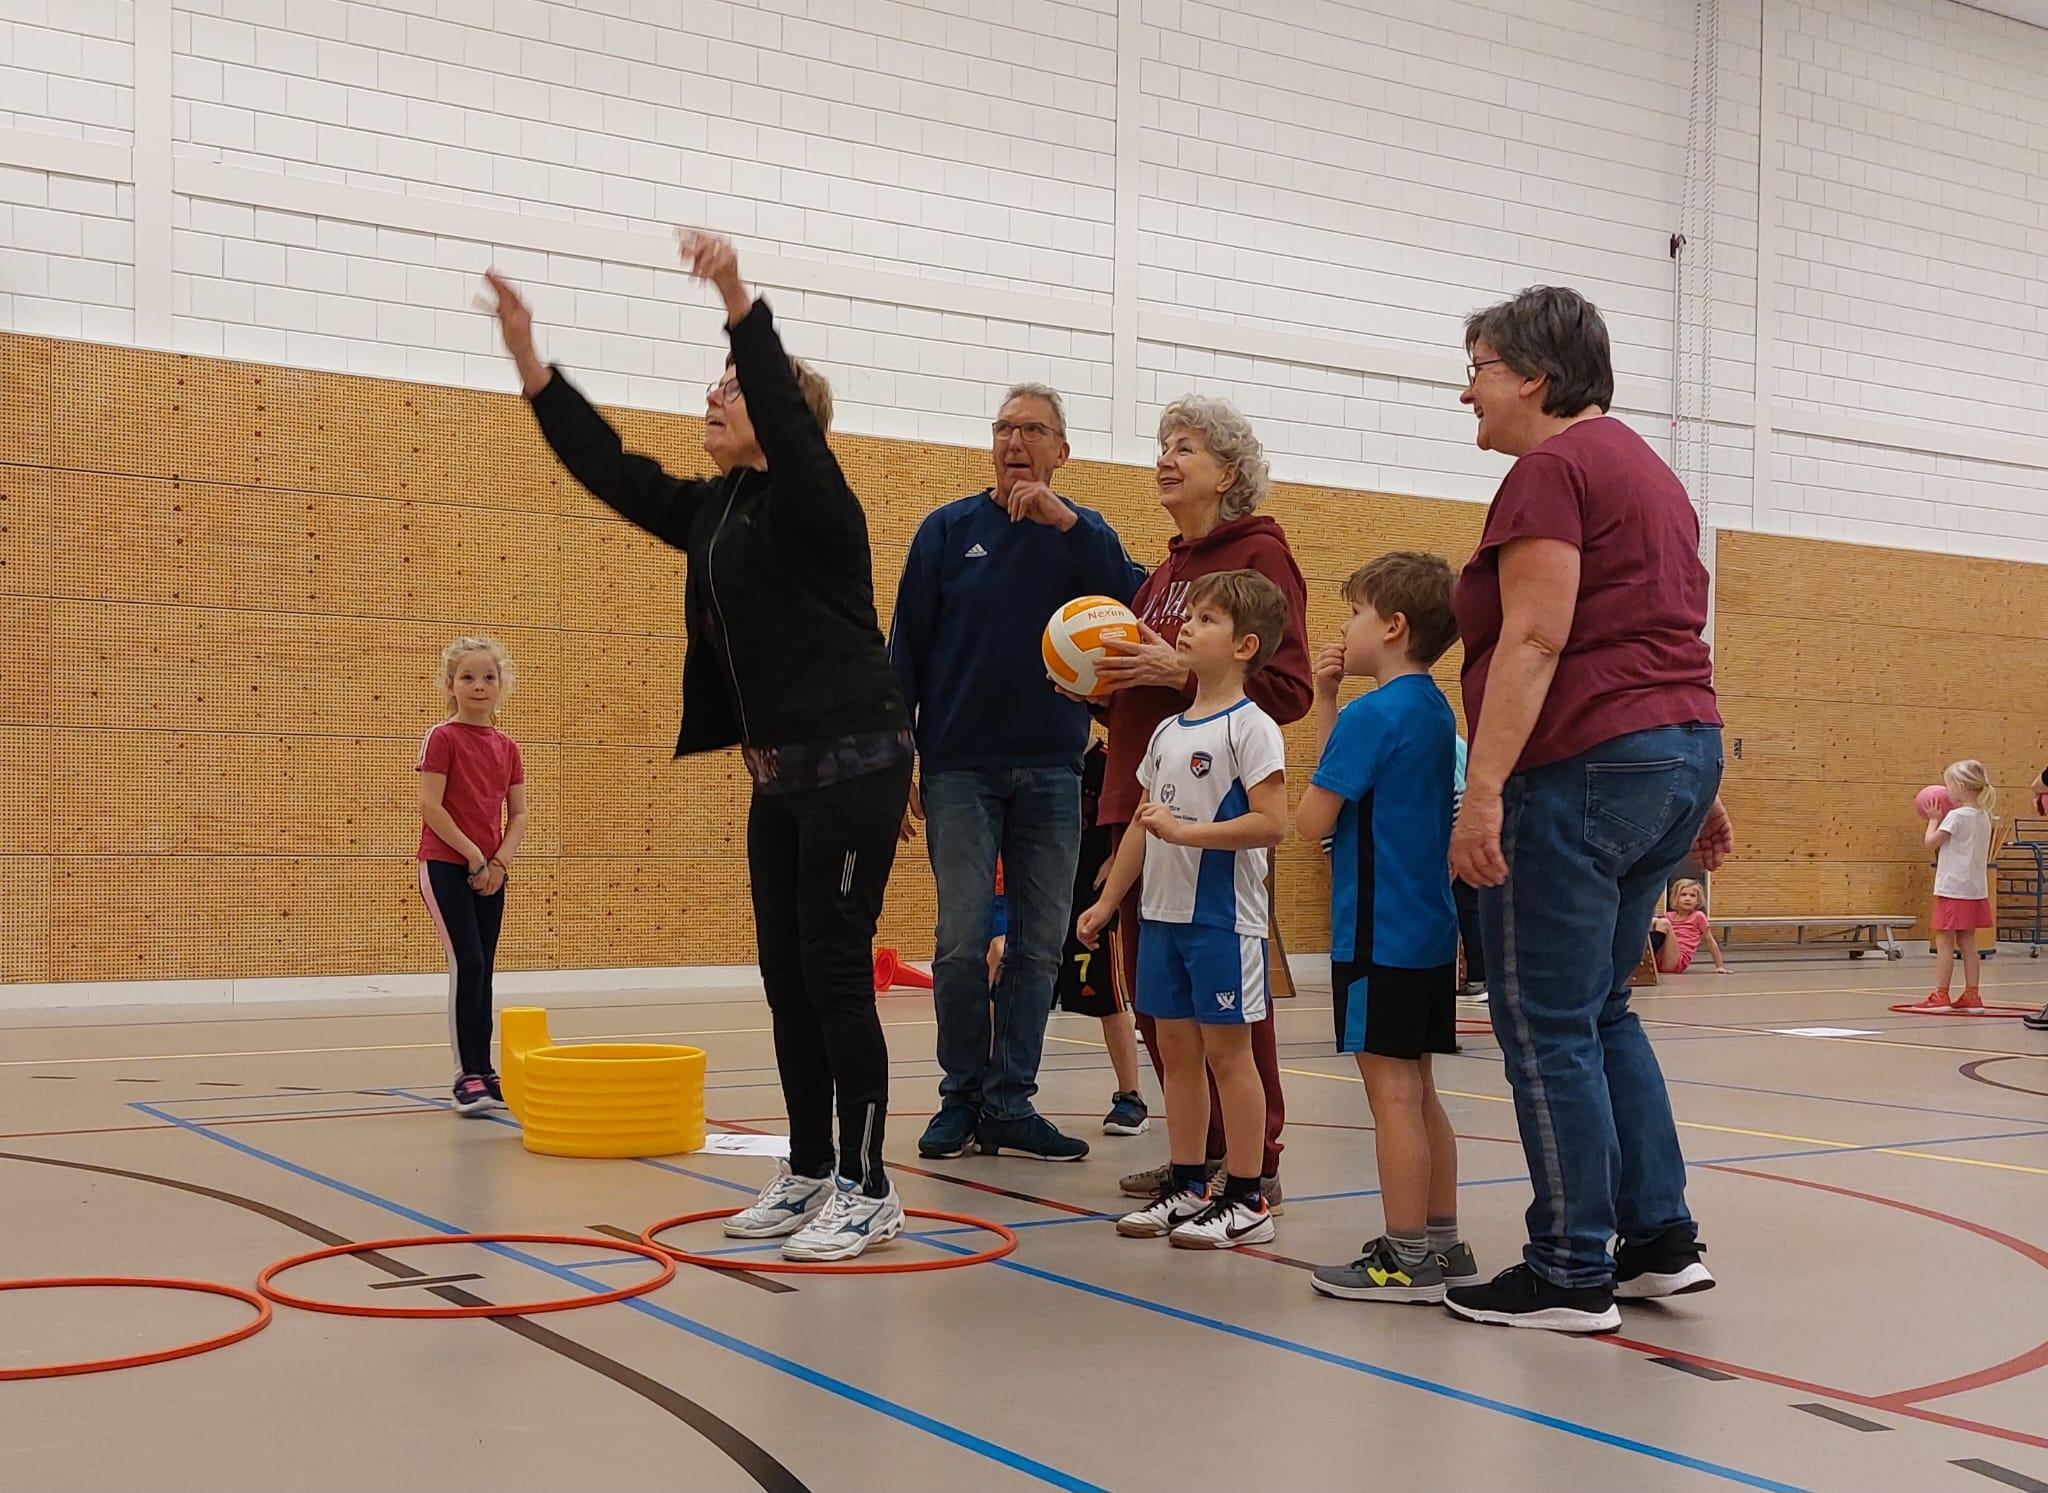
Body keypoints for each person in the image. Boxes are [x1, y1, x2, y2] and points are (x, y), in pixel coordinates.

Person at [483, 231, 913, 1263]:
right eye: (714, 385)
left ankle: (869, 1184)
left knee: (835, 972)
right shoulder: (716, 508)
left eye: (729, 389)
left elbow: (774, 390)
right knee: (784, 973)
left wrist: (733, 294)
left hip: (856, 763)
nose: (711, 399)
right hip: (777, 779)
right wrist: (531, 364)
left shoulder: (818, 499)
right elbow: (611, 470)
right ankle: (809, 1165)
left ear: (776, 414)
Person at [1446, 285, 1731, 1332]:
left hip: (1582, 766)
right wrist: (1694, 787)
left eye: (1475, 365)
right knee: (1601, 1006)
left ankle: (1569, 1267)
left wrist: (1479, 797)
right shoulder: (1650, 475)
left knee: (1543, 1021)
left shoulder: (1548, 470)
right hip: (1667, 753)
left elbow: (1534, 637)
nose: (1463, 387)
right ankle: (1656, 1237)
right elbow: (1664, 631)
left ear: (1530, 375)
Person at [890, 383, 1144, 1163]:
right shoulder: (945, 532)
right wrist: (900, 754)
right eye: (1002, 427)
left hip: (1054, 770)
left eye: (1032, 429)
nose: (1014, 440)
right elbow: (904, 654)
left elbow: (1139, 597)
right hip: (960, 769)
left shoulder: (1082, 540)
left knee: (1039, 947)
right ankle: (961, 1094)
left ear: (1061, 451)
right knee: (962, 942)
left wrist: (1068, 523)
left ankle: (1010, 1102)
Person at [1099, 396, 1312, 1210]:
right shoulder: (1163, 573)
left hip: (1212, 820)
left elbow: (1284, 689)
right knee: (1162, 1007)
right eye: (1160, 444)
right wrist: (1092, 686)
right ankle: (1197, 1158)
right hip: (1142, 800)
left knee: (1228, 1010)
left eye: (1183, 447)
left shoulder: (1258, 557)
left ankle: (1253, 1161)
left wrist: (1174, 675)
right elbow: (1155, 688)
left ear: (1228, 472)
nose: (1164, 457)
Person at [1079, 570, 1290, 1249]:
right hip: (1163, 915)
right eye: (1189, 616)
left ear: (1244, 645)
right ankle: (1189, 1182)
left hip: (1223, 920)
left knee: (1231, 1054)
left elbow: (1272, 822)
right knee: (1175, 1050)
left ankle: (1248, 1194)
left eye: (1204, 620)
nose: (1186, 627)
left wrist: (1190, 833)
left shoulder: (1251, 728)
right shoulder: (1168, 727)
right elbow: (1144, 821)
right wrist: (1109, 899)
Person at [1294, 553, 1475, 1305]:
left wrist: (1331, 707)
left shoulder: (1373, 716)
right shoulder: (1435, 710)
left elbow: (1312, 821)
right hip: (1428, 929)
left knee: (1390, 1095)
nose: (1344, 626)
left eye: (1356, 612)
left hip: (1375, 933)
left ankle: (1402, 1258)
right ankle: (1440, 1241)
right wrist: (1333, 693)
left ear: (1393, 627)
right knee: (1421, 1087)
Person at [416, 635, 528, 1116]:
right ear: (450, 685)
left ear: (502, 685)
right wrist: (473, 857)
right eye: (468, 677)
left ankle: (485, 1070)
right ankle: (467, 1076)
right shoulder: (442, 738)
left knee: (486, 969)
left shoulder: (507, 747)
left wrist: (499, 861)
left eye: (488, 677)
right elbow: (431, 805)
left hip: (490, 871)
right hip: (445, 864)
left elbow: (519, 814)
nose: (479, 686)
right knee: (469, 964)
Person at [1054, 737, 1151, 1135]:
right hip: (1045, 895)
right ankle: (994, 1094)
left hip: (1093, 895)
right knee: (1003, 986)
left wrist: (1117, 863)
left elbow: (1139, 814)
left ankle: (1130, 1096)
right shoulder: (1040, 762)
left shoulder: (1109, 761)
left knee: (1108, 995)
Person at [1922, 760, 1996, 1011]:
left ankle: (1941, 994)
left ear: (1961, 786)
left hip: (1953, 888)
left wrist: (1933, 819)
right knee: (1969, 942)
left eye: (1948, 786)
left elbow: (1931, 842)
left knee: (1944, 941)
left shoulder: (1955, 816)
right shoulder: (1984, 816)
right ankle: (1972, 994)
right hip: (1974, 889)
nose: (1946, 791)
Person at [1452, 736, 1487, 1000]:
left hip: (1464, 829)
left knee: (1468, 909)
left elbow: (1457, 792)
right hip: (1474, 826)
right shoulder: (1458, 741)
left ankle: (1479, 978)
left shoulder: (1440, 742)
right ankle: (1480, 977)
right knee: (1471, 909)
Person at [1650, 879, 1728, 975]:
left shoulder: (1698, 916)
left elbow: (1710, 941)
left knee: (1663, 922)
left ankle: (1644, 958)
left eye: (1692, 896)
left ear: (1697, 901)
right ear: (1676, 898)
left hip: (1676, 962)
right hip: (1660, 961)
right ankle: (1642, 959)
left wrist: (1720, 966)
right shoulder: (1669, 916)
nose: (1688, 898)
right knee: (1654, 921)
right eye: (1683, 895)